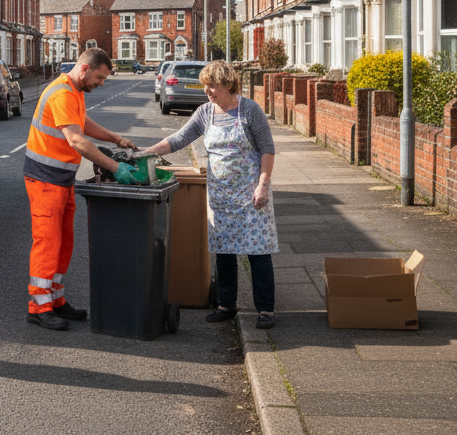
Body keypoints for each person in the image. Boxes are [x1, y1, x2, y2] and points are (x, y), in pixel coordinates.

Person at [143, 60, 278, 329]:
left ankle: (265, 310)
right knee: (224, 252)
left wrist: (263, 184)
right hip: (221, 196)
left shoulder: (249, 110)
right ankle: (226, 305)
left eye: (212, 86)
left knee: (258, 251)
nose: (207, 90)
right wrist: (148, 152)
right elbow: (180, 138)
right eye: (206, 85)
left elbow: (267, 149)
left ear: (228, 85)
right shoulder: (205, 112)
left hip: (250, 193)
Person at [22, 47, 139, 331]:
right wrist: (114, 167)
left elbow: (82, 123)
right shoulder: (62, 92)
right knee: (48, 243)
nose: (101, 84)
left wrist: (116, 138)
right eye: (99, 78)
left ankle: (56, 299)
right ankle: (38, 306)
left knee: (64, 242)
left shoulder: (74, 91)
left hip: (61, 180)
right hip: (45, 179)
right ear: (85, 68)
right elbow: (76, 139)